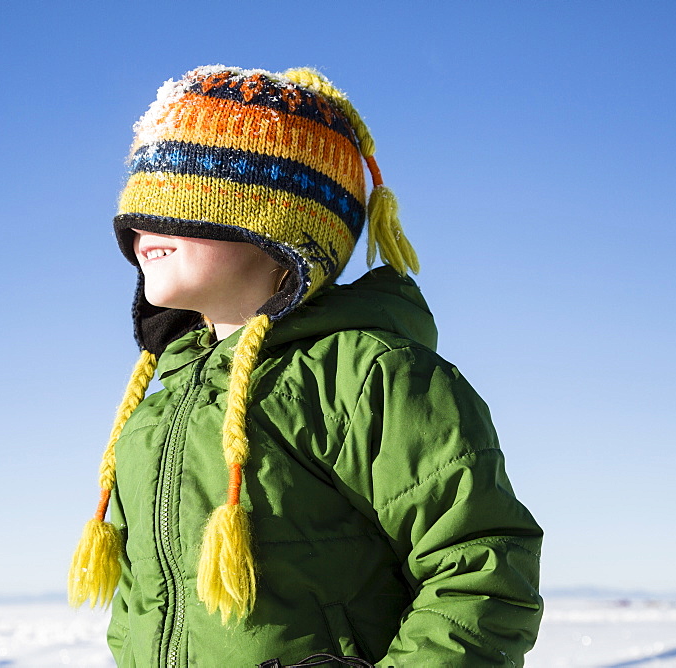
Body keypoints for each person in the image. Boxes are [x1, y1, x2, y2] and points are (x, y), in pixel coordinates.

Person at [68, 65, 543, 667]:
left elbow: (481, 568)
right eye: (138, 205)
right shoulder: (158, 407)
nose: (141, 226)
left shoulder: (370, 377)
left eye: (173, 200)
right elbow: (139, 611)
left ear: (278, 223)